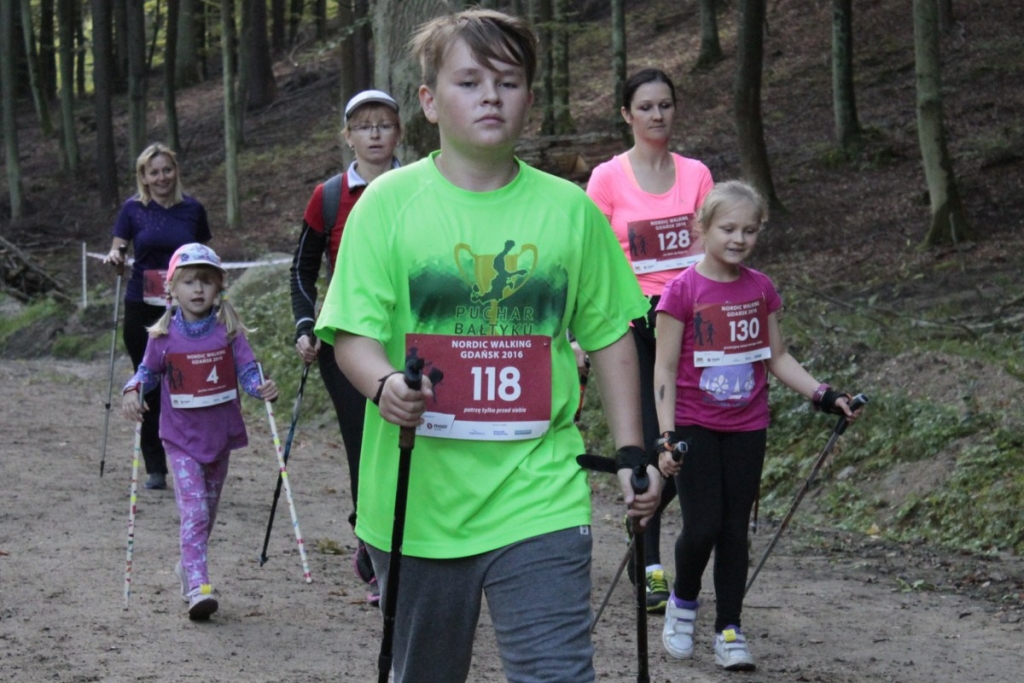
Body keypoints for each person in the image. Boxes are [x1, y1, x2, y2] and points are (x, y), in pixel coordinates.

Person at [313, 9, 662, 682]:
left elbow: (611, 336)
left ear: (529, 97)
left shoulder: (570, 211)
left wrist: (630, 451)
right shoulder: (386, 205)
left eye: (507, 81)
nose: (490, 96)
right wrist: (385, 386)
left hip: (540, 490)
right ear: (429, 101)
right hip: (417, 499)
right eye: (469, 81)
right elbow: (352, 333)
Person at [652, 181, 862, 671]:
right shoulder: (682, 291)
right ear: (703, 228)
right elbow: (664, 368)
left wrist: (823, 394)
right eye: (728, 228)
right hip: (695, 424)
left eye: (749, 230)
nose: (739, 239)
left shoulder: (760, 288)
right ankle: (683, 602)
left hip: (747, 425)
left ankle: (729, 629)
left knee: (734, 530)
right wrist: (666, 436)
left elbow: (777, 357)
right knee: (702, 525)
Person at [585, 67, 714, 614]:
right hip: (632, 322)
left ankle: (643, 526)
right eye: (645, 107)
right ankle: (652, 565)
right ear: (626, 115)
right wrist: (579, 334)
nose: (657, 115)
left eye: (665, 105)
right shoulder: (607, 179)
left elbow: (715, 248)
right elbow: (591, 258)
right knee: (645, 439)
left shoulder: (697, 174)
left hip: (690, 323)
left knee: (687, 440)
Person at [122, 243, 278, 621]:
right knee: (194, 511)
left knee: (206, 511)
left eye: (206, 282)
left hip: (218, 436)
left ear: (218, 287)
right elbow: (148, 372)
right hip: (180, 438)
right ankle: (198, 585)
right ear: (172, 288)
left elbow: (248, 370)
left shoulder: (229, 331)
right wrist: (133, 390)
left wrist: (260, 387)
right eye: (189, 281)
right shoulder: (163, 335)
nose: (197, 289)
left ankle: (187, 565)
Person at [289, 88, 403, 604]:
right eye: (364, 126)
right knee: (365, 447)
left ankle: (409, 547)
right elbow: (302, 267)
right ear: (348, 136)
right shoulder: (330, 195)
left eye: (384, 124)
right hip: (348, 342)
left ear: (399, 132)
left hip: (411, 338)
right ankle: (373, 549)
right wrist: (306, 323)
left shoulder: (420, 185)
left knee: (414, 446)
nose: (375, 134)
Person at [105, 143, 212, 491]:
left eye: (167, 169)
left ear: (175, 171)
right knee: (148, 382)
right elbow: (117, 246)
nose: (162, 177)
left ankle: (192, 456)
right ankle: (155, 466)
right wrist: (116, 256)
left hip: (186, 306)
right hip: (143, 304)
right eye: (154, 172)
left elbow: (205, 255)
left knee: (187, 383)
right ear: (144, 177)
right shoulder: (133, 209)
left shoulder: (192, 209)